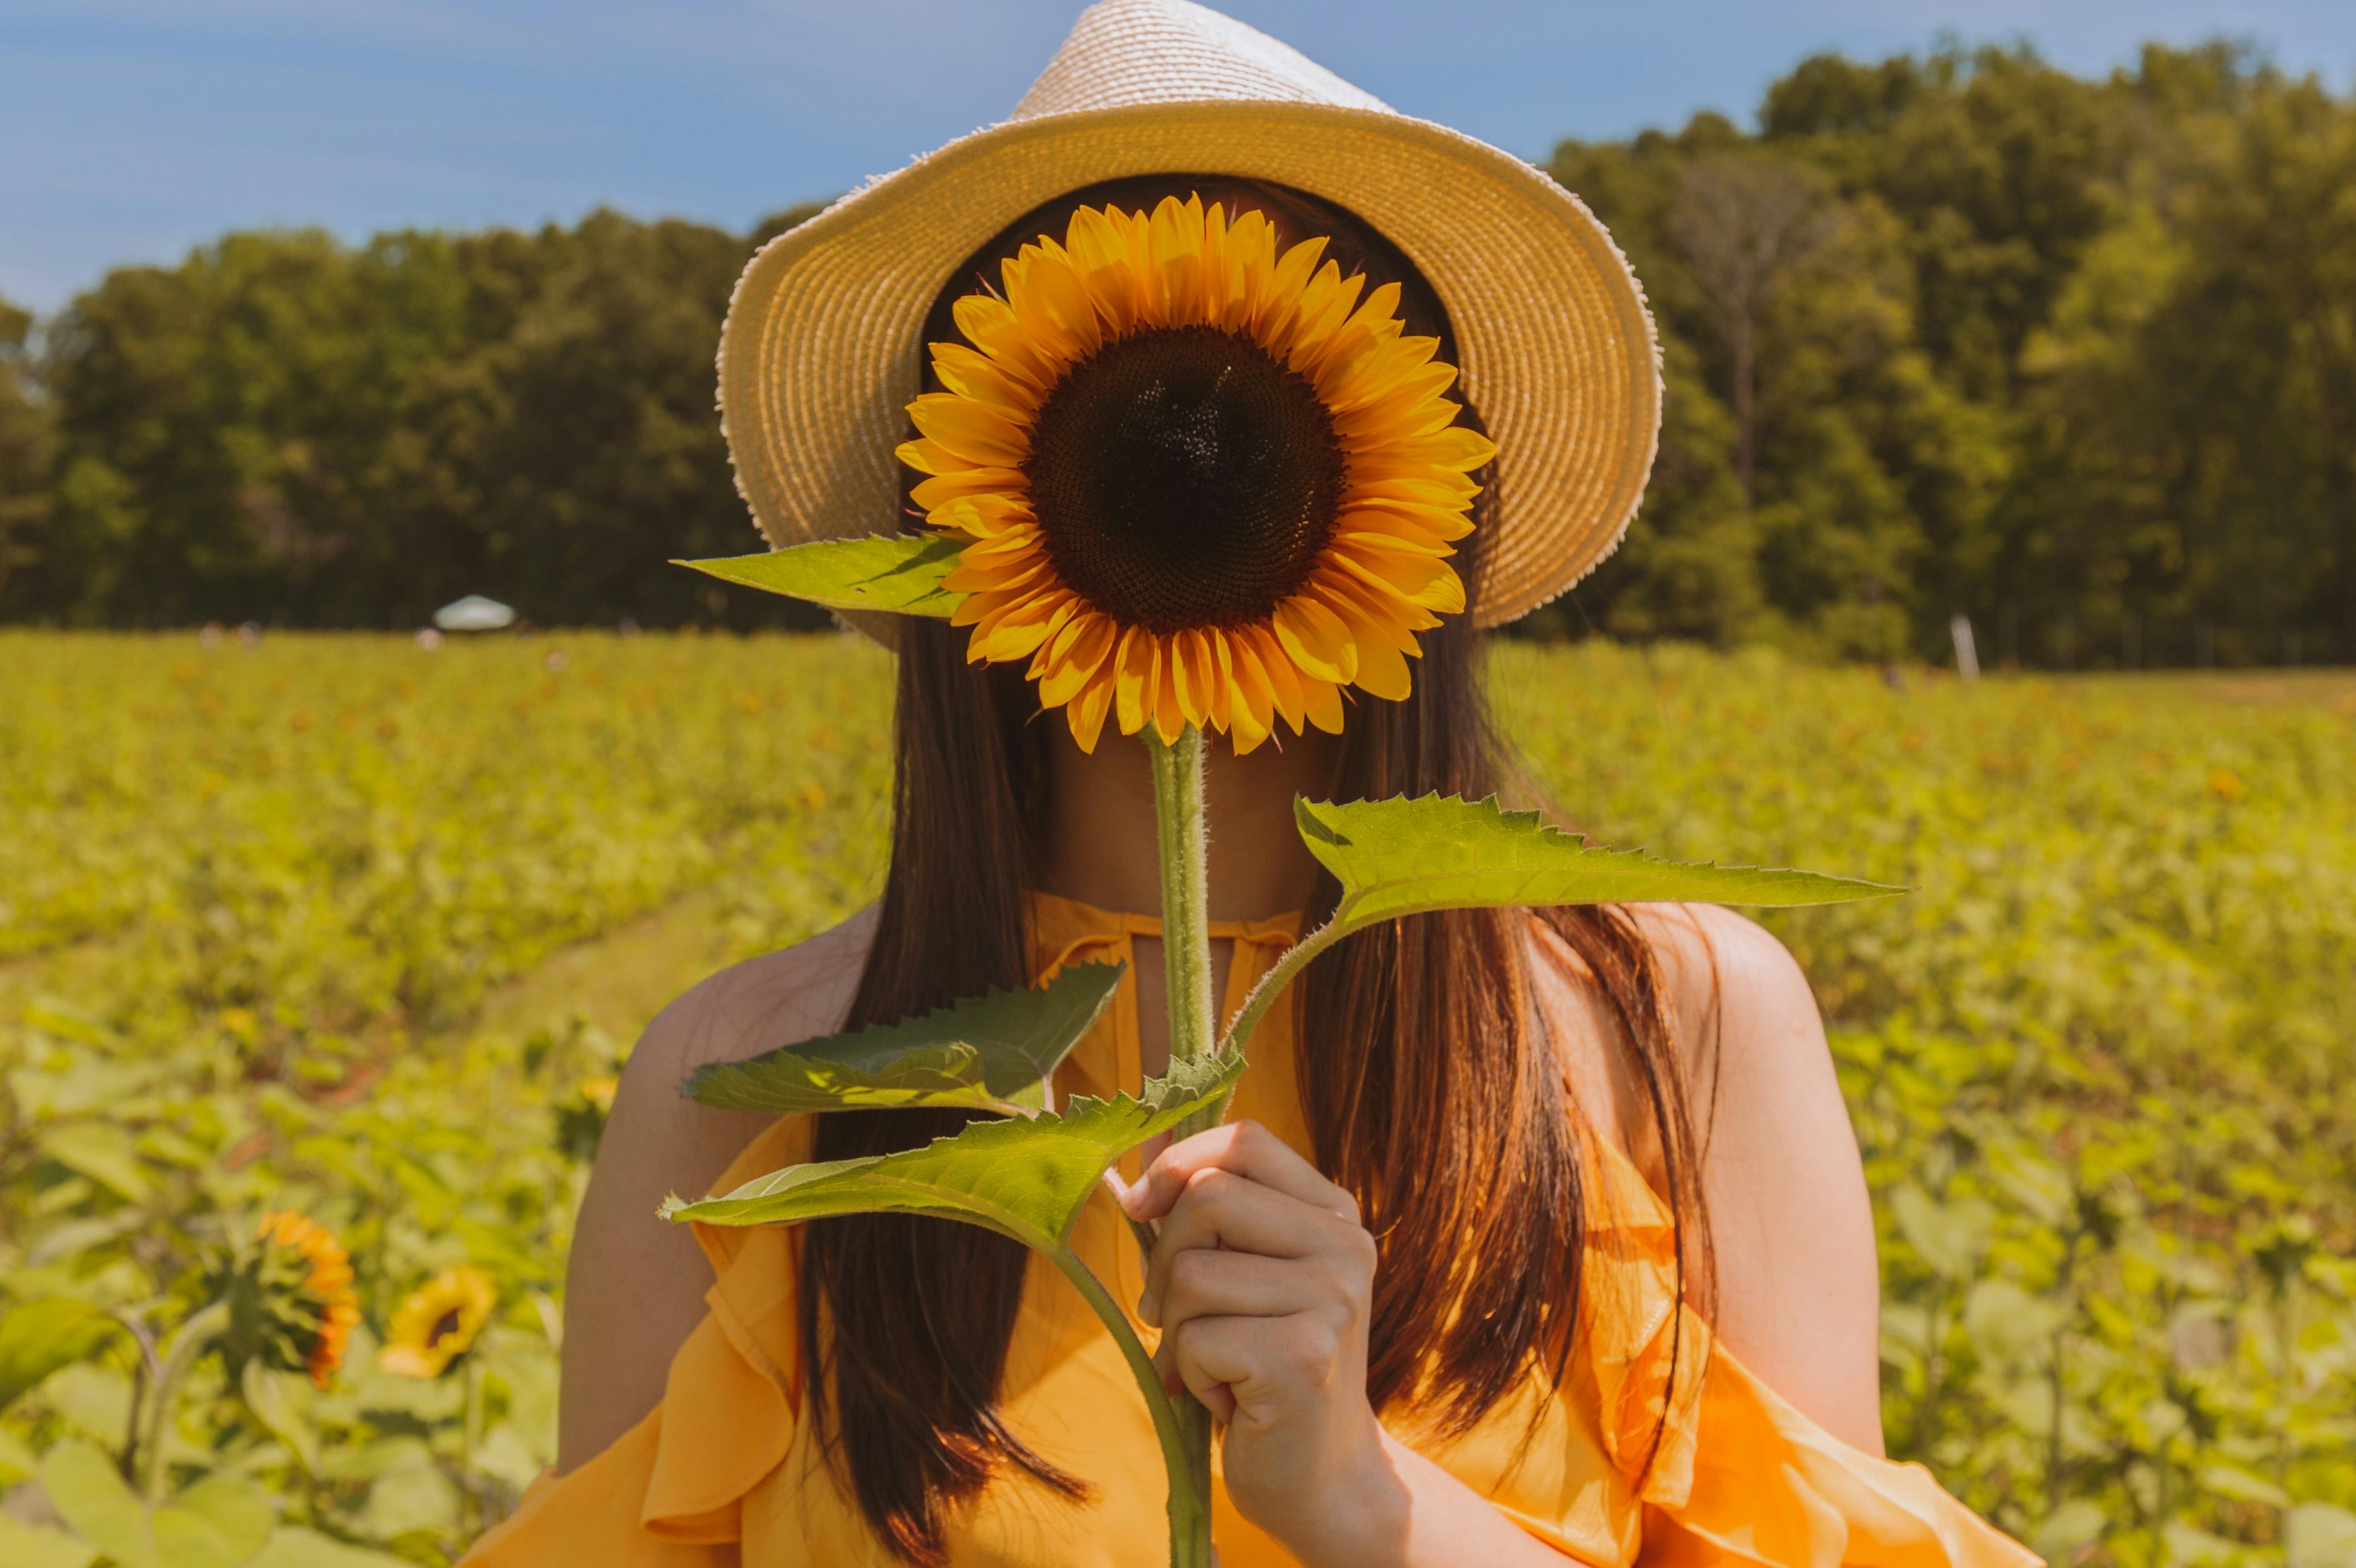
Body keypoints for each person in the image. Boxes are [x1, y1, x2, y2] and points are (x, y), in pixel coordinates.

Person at [469, 4, 2037, 1565]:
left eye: (1257, 381)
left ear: (1414, 484)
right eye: (1125, 385)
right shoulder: (753, 1087)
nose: (1191, 443)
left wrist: (1359, 1499)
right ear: (963, 494)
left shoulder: (1667, 1026)